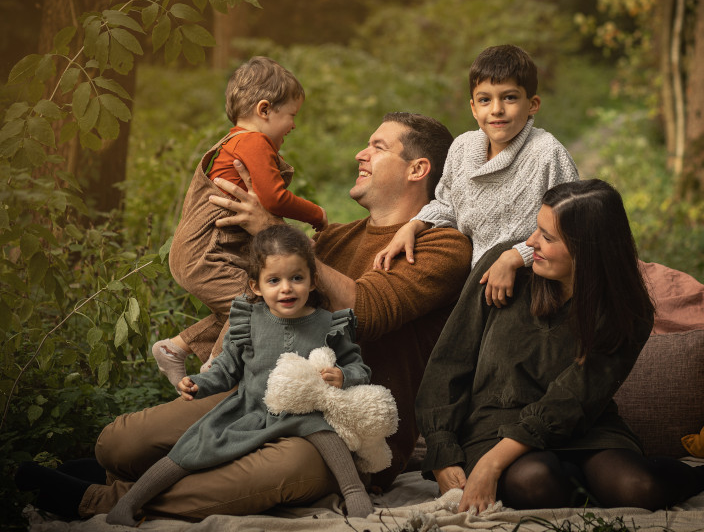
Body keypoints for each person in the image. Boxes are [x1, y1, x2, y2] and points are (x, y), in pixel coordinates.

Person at [14, 113, 472, 522]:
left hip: (340, 430)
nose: (361, 153)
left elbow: (366, 313)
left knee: (282, 470)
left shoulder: (443, 246)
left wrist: (276, 232)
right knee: (117, 444)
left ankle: (99, 500)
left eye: (377, 146)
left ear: (418, 169)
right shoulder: (334, 239)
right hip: (257, 398)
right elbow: (264, 305)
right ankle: (120, 476)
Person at [415, 179, 704, 515]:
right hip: (493, 425)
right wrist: (443, 451)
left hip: (581, 426)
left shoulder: (626, 311)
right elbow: (448, 362)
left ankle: (703, 477)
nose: (530, 243)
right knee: (535, 481)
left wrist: (492, 466)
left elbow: (573, 400)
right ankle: (576, 481)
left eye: (547, 237)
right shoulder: (504, 269)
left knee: (639, 489)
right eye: (536, 228)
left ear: (588, 251)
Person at [102, 224, 374, 525]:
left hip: (303, 411)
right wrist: (199, 384)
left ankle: (354, 492)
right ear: (256, 286)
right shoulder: (249, 320)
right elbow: (226, 368)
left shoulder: (328, 324)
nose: (287, 288)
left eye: (297, 278)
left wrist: (342, 375)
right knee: (194, 446)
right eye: (274, 280)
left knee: (328, 435)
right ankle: (128, 503)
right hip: (248, 407)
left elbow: (358, 367)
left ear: (312, 281)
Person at [152, 56, 327, 389]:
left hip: (199, 253)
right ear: (264, 110)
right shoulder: (253, 142)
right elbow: (274, 198)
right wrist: (317, 214)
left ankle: (175, 347)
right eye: (291, 115)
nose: (293, 125)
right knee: (257, 302)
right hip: (207, 255)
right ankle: (215, 371)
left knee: (235, 306)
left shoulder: (231, 142)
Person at [374, 45, 578, 308]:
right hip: (475, 282)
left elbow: (571, 230)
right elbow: (448, 205)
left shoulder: (547, 154)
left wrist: (515, 257)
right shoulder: (462, 148)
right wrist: (413, 225)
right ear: (473, 107)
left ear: (533, 104)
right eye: (485, 100)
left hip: (535, 284)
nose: (496, 109)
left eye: (510, 98)